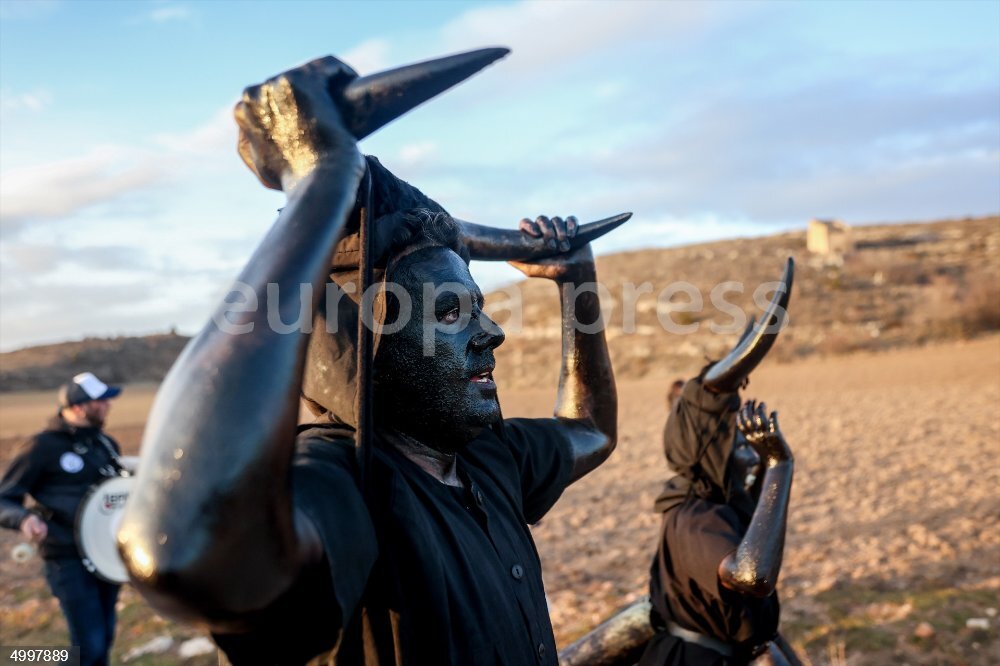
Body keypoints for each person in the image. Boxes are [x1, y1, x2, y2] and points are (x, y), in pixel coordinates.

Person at [118, 56, 618, 665]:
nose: (493, 334)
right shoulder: (340, 484)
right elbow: (183, 546)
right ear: (365, 343)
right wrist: (321, 180)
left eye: (479, 309)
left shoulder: (487, 460)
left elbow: (589, 430)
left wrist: (578, 284)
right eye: (453, 313)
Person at [640, 261, 801, 665]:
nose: (749, 454)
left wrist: (766, 467)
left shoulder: (713, 504)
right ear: (710, 453)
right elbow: (752, 575)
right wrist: (780, 465)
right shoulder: (695, 517)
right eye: (738, 444)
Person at [0, 372, 125, 666]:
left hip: (105, 558)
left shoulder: (106, 444)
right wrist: (23, 519)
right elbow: (3, 498)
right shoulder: (41, 447)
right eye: (101, 401)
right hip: (66, 558)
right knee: (88, 647)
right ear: (79, 407)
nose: (108, 406)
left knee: (104, 640)